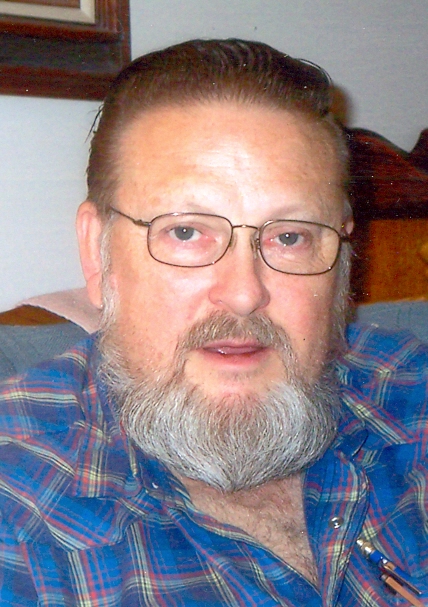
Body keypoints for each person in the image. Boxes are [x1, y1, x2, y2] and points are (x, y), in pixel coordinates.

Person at [0, 39, 427, 607]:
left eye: (290, 236)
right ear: (96, 251)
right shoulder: (18, 510)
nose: (245, 294)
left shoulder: (411, 393)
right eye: (185, 232)